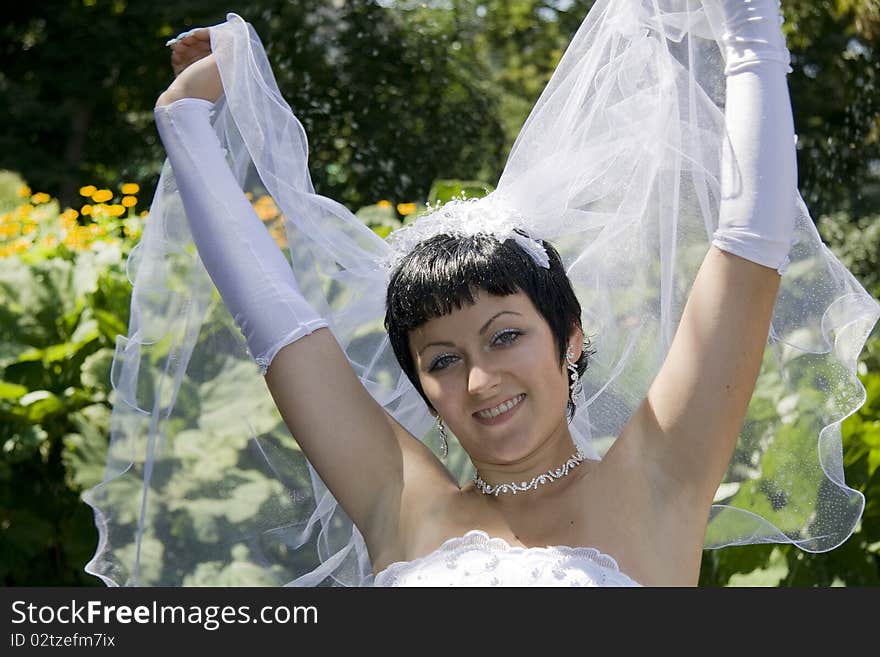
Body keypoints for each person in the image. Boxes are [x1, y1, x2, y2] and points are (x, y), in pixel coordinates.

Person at [84, 0, 880, 587]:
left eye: (505, 336)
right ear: (422, 386)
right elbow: (280, 324)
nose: (479, 380)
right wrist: (186, 127)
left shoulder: (659, 477)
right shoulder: (397, 496)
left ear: (570, 336)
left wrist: (750, 31)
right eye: (442, 359)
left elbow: (749, 243)